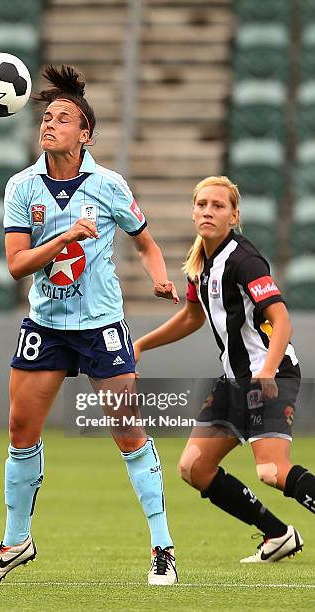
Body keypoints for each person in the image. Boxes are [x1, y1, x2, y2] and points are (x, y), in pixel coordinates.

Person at [0, 65, 179, 585]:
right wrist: (63, 243)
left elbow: (146, 242)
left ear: (84, 133)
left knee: (127, 432)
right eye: (46, 117)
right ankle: (17, 541)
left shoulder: (109, 184)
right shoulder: (21, 186)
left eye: (63, 118)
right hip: (45, 323)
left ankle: (162, 547)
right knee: (21, 431)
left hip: (100, 324)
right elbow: (17, 265)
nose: (50, 124)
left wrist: (159, 278)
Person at [134, 175, 315, 563]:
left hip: (271, 374)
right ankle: (278, 535)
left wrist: (266, 370)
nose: (208, 211)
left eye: (218, 206)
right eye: (202, 204)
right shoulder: (199, 261)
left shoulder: (244, 260)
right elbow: (192, 318)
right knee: (194, 468)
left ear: (234, 215)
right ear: (193, 211)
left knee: (270, 470)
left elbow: (281, 321)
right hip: (234, 381)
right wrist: (141, 344)